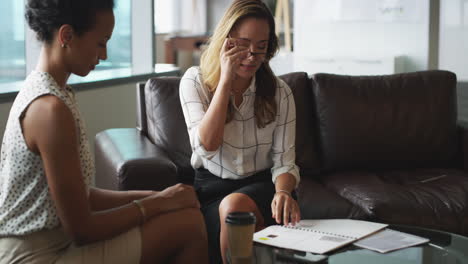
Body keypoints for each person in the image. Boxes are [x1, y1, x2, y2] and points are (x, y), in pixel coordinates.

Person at [0, 0, 208, 263]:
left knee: (183, 215)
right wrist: (159, 203)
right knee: (188, 227)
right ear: (67, 36)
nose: (105, 54)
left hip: (56, 242)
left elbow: (83, 196)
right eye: (101, 42)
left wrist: (161, 197)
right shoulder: (49, 109)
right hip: (36, 255)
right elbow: (82, 229)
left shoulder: (53, 92)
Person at [179, 0, 300, 263]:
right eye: (243, 45)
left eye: (261, 48)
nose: (250, 57)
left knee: (235, 207)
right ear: (225, 40)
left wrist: (283, 192)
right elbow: (207, 145)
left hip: (264, 186)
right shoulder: (194, 81)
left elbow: (284, 162)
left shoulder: (280, 93)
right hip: (212, 188)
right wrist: (224, 81)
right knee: (231, 207)